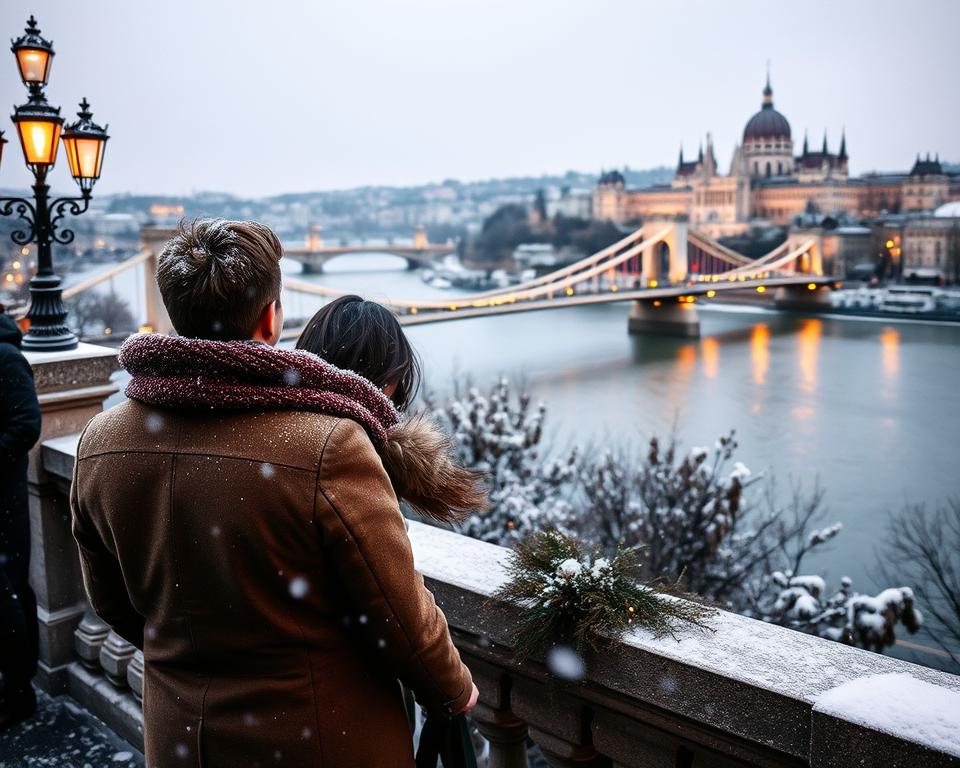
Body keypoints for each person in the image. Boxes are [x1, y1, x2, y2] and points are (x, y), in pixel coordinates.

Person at [71, 219, 485, 767]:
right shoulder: (326, 445)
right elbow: (399, 614)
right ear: (269, 317)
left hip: (179, 734)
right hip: (315, 738)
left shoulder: (102, 441)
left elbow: (112, 603)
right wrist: (454, 690)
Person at [0, 303, 42, 731]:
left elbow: (26, 426)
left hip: (4, 503)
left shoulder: (8, 358)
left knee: (9, 599)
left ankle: (19, 692)